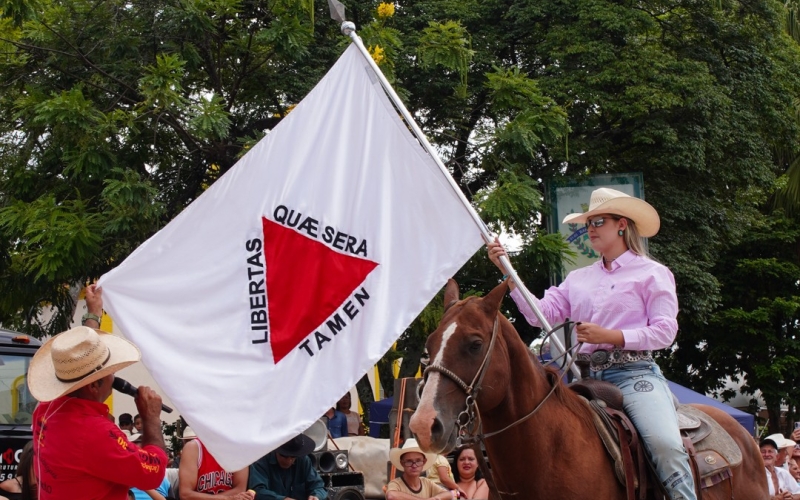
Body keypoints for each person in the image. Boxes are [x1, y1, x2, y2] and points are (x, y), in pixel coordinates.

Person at [487, 187, 695, 500]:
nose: (590, 229)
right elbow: (538, 315)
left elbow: (666, 331)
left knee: (665, 445)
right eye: (588, 224)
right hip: (583, 380)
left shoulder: (653, 274)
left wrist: (611, 337)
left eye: (598, 222)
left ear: (621, 225)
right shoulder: (577, 279)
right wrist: (508, 272)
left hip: (634, 377)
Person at [29, 283, 168, 499]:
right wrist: (151, 418)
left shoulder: (47, 409)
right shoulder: (95, 433)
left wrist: (92, 315)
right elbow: (154, 473)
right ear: (94, 385)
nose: (114, 377)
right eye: (109, 370)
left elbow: (80, 358)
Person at [178, 427, 253, 499]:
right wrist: (227, 498)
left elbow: (240, 489)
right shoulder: (193, 448)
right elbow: (186, 495)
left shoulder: (238, 449)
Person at [248, 434, 327, 500]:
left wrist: (316, 496)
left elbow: (318, 485)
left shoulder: (303, 460)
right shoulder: (261, 461)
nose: (289, 461)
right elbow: (257, 491)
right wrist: (282, 499)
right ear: (276, 450)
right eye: (284, 456)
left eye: (293, 457)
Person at [385, 439, 454, 500]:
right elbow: (391, 496)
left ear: (424, 462)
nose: (414, 465)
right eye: (409, 461)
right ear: (402, 463)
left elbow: (449, 494)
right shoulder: (396, 483)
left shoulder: (427, 482)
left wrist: (436, 498)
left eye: (418, 461)